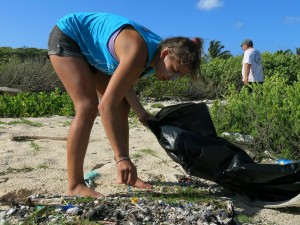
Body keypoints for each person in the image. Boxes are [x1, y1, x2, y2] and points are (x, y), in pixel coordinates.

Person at [47, 12, 202, 197]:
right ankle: (75, 185)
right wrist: (122, 157)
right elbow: (105, 106)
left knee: (122, 105)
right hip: (69, 36)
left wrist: (142, 114)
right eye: (174, 71)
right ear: (166, 54)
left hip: (90, 49)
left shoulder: (153, 58)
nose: (172, 78)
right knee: (87, 106)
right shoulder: (139, 50)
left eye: (178, 76)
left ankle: (126, 176)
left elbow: (123, 85)